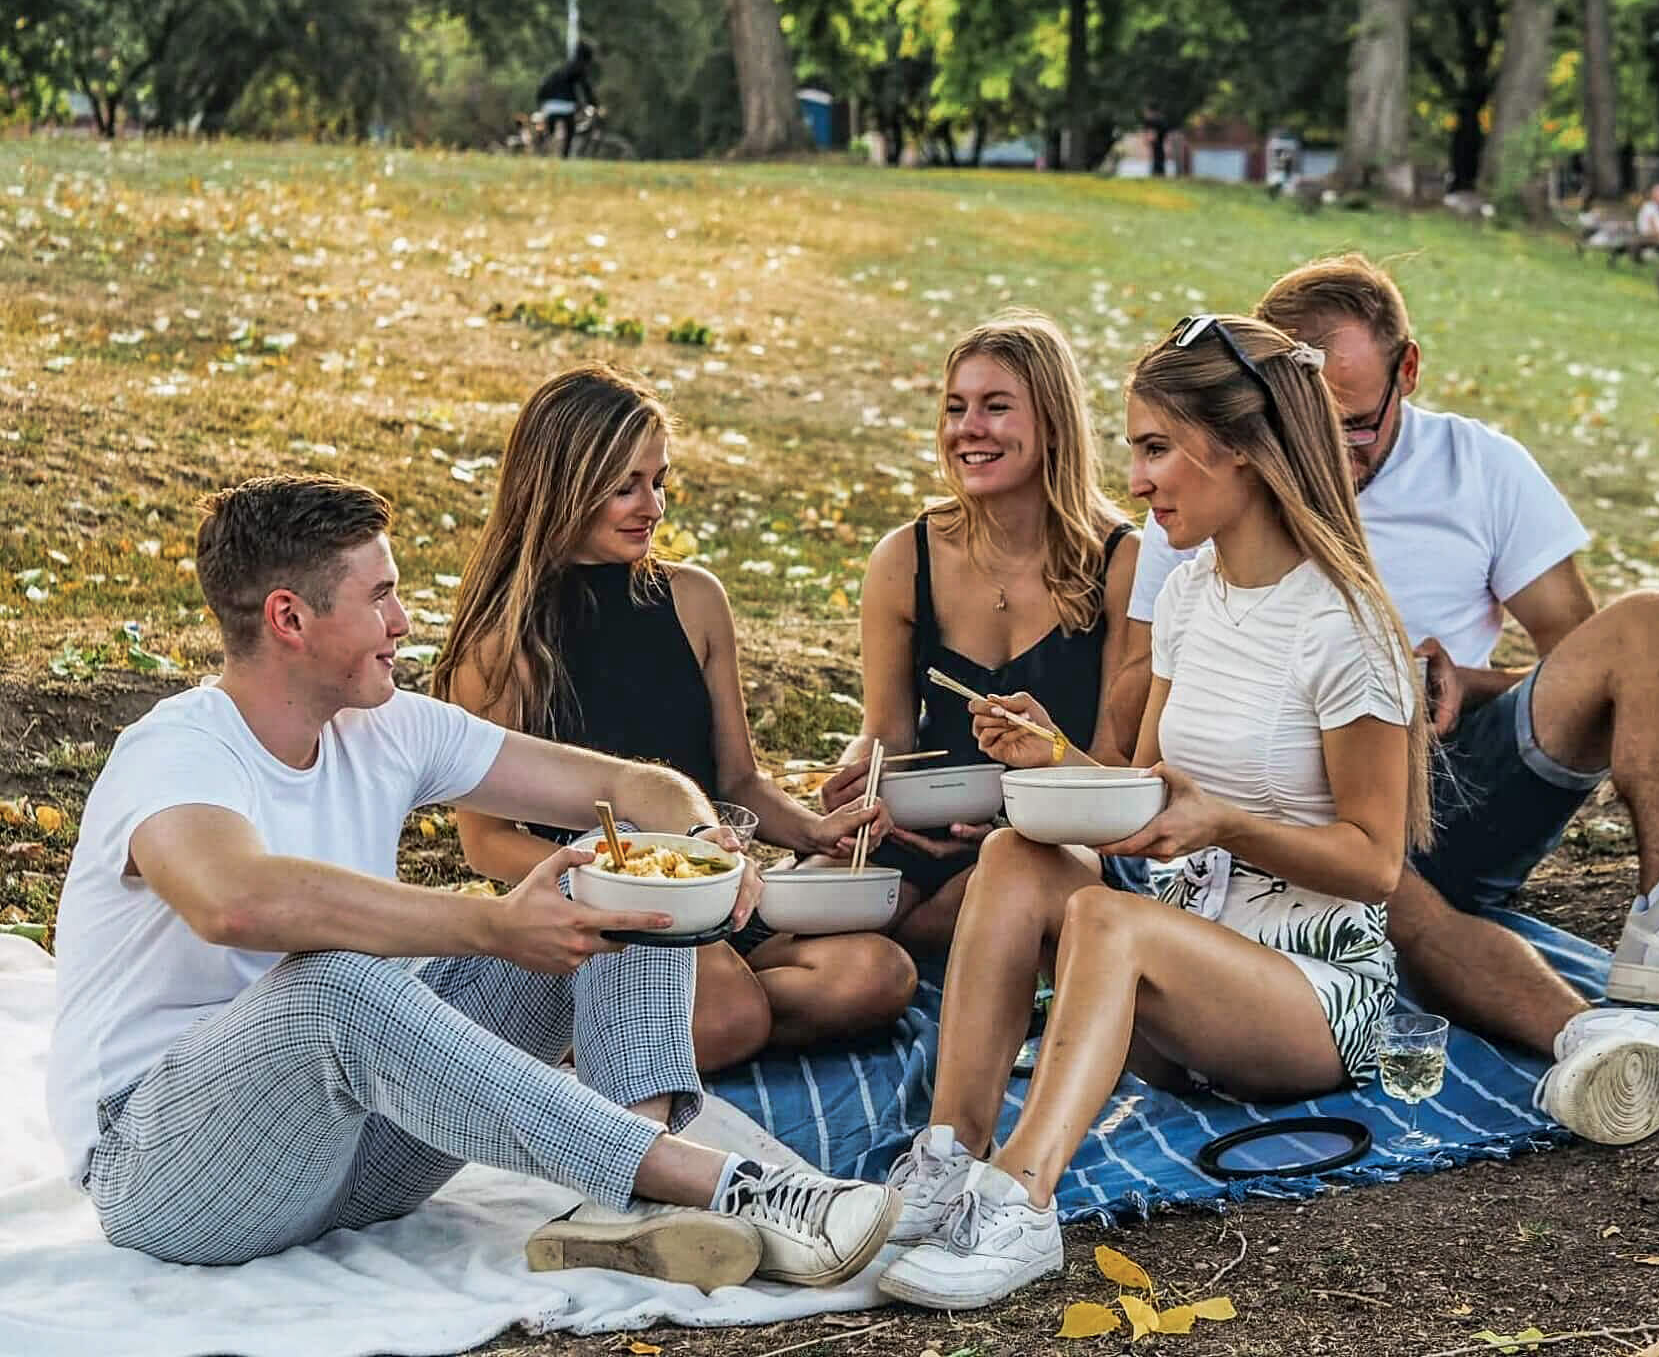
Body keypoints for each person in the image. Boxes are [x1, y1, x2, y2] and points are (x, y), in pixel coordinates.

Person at [46, 474, 899, 1288]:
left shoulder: (383, 726)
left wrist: (697, 836)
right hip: (173, 1174)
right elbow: (234, 901)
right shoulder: (178, 751)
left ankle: (627, 1197)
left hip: (365, 1159)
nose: (404, 620)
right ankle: (727, 1186)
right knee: (330, 983)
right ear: (289, 617)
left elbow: (631, 789)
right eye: (379, 596)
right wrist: (490, 927)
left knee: (616, 871)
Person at [1110, 254, 1659, 1145]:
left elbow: (1586, 667)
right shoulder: (1200, 504)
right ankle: (1594, 1041)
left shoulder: (1479, 467)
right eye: (1306, 419)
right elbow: (1152, 692)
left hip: (1452, 768)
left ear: (1408, 370)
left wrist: (1463, 681)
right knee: (1391, 889)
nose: (1333, 446)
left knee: (1657, 622)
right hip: (1289, 803)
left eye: (1355, 424)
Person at [875, 315, 1430, 1310]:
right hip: (1180, 962)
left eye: (1156, 449)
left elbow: (1375, 864)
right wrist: (1050, 753)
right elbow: (1143, 794)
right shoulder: (1190, 599)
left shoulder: (1346, 627)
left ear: (1246, 451)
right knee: (1015, 852)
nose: (1135, 481)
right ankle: (950, 1155)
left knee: (1106, 917)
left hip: (1314, 997)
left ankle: (1024, 1198)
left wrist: (1223, 824)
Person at [435, 365, 917, 1073]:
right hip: (595, 918)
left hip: (715, 894)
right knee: (732, 1013)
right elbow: (485, 843)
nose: (653, 506)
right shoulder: (501, 645)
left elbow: (740, 782)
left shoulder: (694, 600)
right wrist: (623, 889)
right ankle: (644, 1028)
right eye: (626, 485)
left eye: (659, 481)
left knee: (879, 973)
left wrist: (816, 832)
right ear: (560, 487)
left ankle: (616, 1043)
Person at [815, 310, 1141, 950]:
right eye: (955, 408)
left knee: (942, 911)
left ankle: (905, 959)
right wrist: (859, 783)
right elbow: (884, 733)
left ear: (1051, 425)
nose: (969, 430)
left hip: (1050, 839)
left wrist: (1011, 810)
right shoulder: (907, 557)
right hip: (924, 830)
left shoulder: (1119, 563)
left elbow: (1115, 769)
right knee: (814, 902)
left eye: (996, 407)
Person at [535, 42, 598, 158]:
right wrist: (594, 104)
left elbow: (544, 87)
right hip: (567, 106)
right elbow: (586, 89)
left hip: (550, 105)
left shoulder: (561, 70)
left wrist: (540, 102)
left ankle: (540, 152)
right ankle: (564, 156)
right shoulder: (579, 69)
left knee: (549, 132)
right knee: (570, 131)